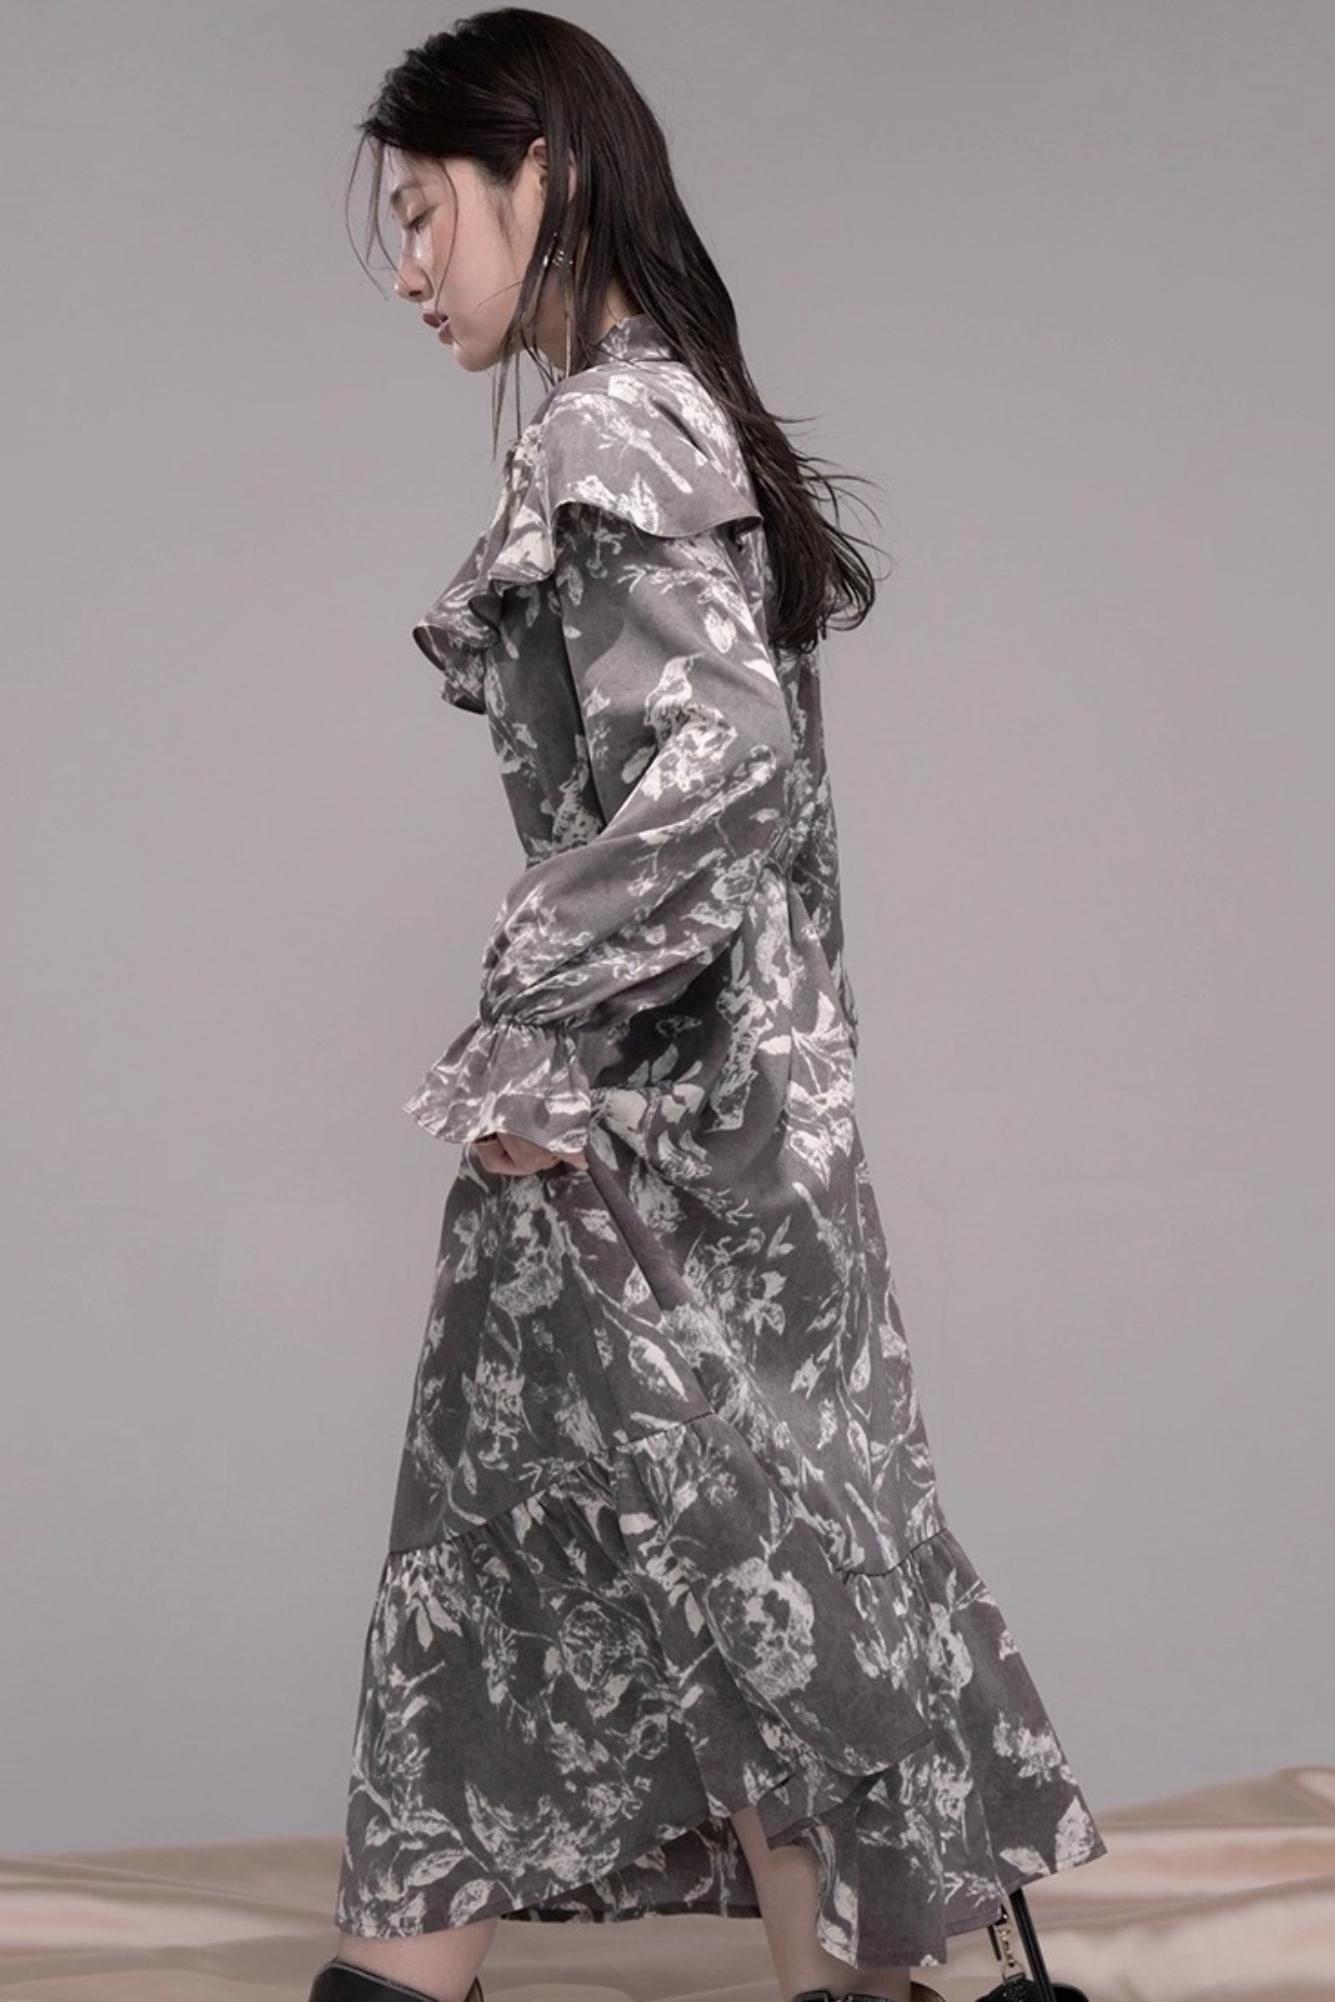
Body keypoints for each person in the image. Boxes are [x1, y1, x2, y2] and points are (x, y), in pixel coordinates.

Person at [307, 12, 1109, 2002]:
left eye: (424, 212)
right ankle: (444, 1962)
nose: (409, 266)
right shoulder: (663, 415)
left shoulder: (608, 429)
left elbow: (724, 766)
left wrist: (530, 1006)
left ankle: (840, 1972)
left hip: (660, 1113)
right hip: (697, 1102)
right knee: (589, 1516)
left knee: (723, 1528)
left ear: (543, 177)